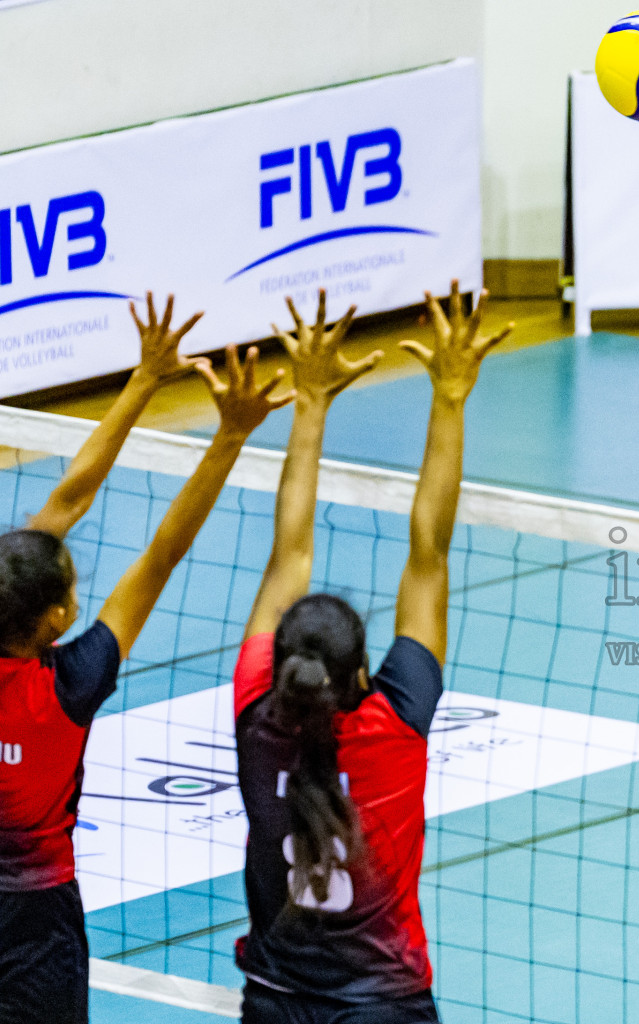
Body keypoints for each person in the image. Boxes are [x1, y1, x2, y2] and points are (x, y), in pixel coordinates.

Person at [0, 296, 293, 1024]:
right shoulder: (69, 685)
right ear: (59, 618)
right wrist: (228, 432)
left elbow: (66, 500)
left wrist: (142, 381)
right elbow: (162, 553)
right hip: (37, 927)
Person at [232, 286, 507, 1024]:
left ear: (282, 665)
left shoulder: (257, 720)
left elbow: (286, 554)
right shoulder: (395, 724)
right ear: (362, 675)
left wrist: (309, 405)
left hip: (277, 1002)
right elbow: (429, 553)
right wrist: (449, 397)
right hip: (381, 1004)